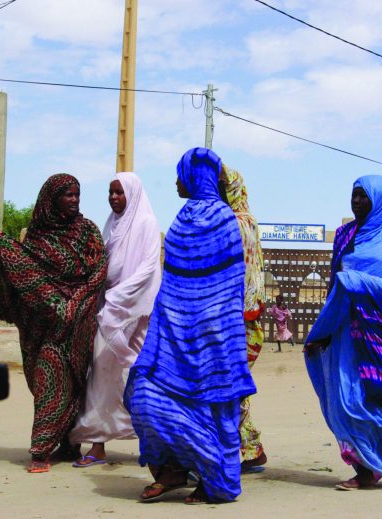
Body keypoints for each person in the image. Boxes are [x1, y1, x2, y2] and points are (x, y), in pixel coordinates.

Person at [125, 147, 256, 504]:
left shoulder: (226, 220)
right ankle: (171, 471)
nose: (176, 181)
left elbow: (229, 284)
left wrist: (209, 326)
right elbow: (173, 282)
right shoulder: (182, 220)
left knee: (210, 406)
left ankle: (213, 480)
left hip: (214, 334)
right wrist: (166, 327)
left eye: (180, 173)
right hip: (174, 329)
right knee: (144, 394)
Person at [0, 174, 107, 473]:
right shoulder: (36, 236)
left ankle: (41, 448)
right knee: (45, 378)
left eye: (77, 194)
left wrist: (75, 303)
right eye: (68, 195)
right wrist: (1, 248)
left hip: (77, 320)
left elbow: (98, 271)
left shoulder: (87, 231)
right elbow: (28, 274)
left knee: (60, 378)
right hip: (43, 322)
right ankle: (68, 443)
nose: (74, 200)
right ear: (50, 199)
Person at [304, 175, 382, 490]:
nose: (356, 202)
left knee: (376, 396)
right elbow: (333, 287)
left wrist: (360, 282)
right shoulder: (344, 236)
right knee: (346, 398)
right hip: (343, 332)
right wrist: (323, 329)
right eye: (353, 196)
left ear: (379, 200)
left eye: (363, 197)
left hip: (374, 335)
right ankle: (365, 470)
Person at [69, 172, 162, 467]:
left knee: (137, 379)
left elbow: (147, 269)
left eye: (119, 193)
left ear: (132, 194)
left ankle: (158, 446)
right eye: (110, 192)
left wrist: (120, 298)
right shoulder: (111, 225)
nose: (113, 198)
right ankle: (97, 445)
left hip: (135, 313)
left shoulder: (147, 223)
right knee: (101, 377)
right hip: (108, 315)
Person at [219, 165, 267, 473]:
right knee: (232, 388)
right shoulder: (251, 221)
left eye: (223, 187)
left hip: (237, 323)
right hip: (248, 322)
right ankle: (251, 450)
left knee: (227, 388)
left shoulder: (233, 223)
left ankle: (244, 450)